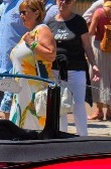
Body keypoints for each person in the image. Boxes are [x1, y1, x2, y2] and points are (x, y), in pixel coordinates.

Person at [46, 0, 99, 135]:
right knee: (60, 106)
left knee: (78, 104)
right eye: (60, 0)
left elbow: (87, 45)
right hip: (56, 69)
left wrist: (94, 64)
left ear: (73, 2)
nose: (63, 3)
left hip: (76, 69)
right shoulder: (50, 23)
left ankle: (83, 137)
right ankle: (62, 136)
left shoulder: (79, 22)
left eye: (67, 0)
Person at [9, 0, 56, 129]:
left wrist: (32, 43)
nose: (21, 16)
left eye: (24, 12)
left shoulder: (42, 29)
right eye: (20, 13)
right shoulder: (28, 34)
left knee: (36, 129)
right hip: (22, 92)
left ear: (36, 13)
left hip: (35, 92)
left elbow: (51, 54)